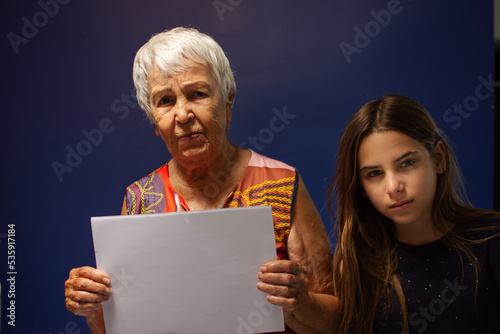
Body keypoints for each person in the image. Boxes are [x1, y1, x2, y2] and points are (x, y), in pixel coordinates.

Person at [64, 27, 337, 334]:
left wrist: (300, 303)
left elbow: (336, 319)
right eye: (165, 100)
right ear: (154, 120)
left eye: (197, 94)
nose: (182, 114)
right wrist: (94, 308)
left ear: (228, 102)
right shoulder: (141, 197)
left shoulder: (282, 184)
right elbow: (125, 327)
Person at [327, 94, 500, 333]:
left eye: (406, 163)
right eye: (374, 174)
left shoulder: (491, 240)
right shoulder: (358, 264)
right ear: (361, 187)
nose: (393, 187)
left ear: (438, 159)